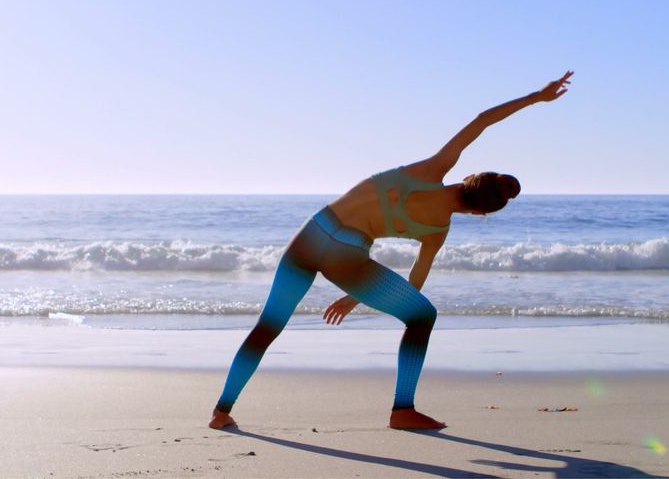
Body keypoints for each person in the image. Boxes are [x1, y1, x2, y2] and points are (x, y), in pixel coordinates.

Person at [210, 70, 574, 430]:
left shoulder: (432, 170)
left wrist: (535, 98)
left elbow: (481, 121)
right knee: (421, 316)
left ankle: (221, 411)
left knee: (268, 326)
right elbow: (413, 285)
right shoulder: (436, 232)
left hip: (310, 233)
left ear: (469, 178)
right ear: (479, 212)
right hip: (346, 257)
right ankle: (403, 410)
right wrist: (354, 296)